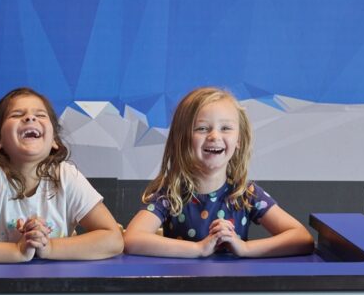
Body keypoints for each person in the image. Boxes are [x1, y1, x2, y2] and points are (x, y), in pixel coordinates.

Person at [123, 86, 313, 258]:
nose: (214, 136)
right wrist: (199, 249)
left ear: (239, 140)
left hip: (233, 292)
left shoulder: (245, 193)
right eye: (202, 128)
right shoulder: (170, 194)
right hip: (183, 291)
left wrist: (245, 248)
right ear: (182, 139)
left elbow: (302, 238)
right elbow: (132, 239)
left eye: (226, 128)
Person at [0, 87, 123, 263]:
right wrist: (17, 251)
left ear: (54, 142)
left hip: (57, 290)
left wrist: (49, 247)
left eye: (40, 115)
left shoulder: (67, 175)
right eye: (17, 115)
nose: (30, 117)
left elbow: (112, 239)